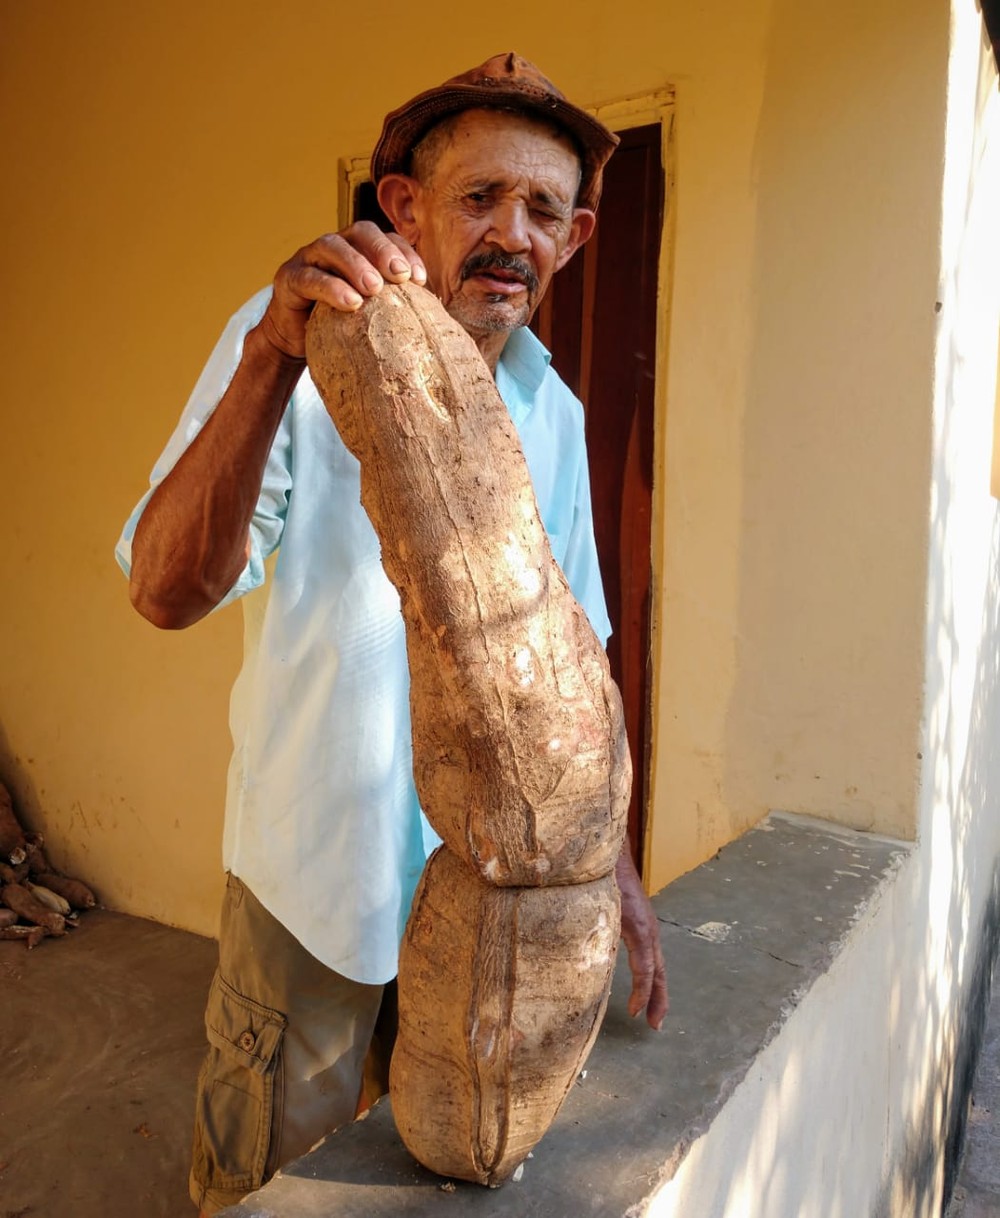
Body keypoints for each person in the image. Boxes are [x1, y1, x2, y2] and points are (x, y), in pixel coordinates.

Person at [116, 51, 668, 1216]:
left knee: (432, 1178)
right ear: (402, 208)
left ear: (572, 242)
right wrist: (273, 351)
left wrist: (611, 865)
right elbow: (165, 592)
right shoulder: (293, 347)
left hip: (487, 904)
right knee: (269, 1183)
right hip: (320, 886)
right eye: (479, 198)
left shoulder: (556, 413)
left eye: (543, 211)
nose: (512, 233)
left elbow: (580, 652)